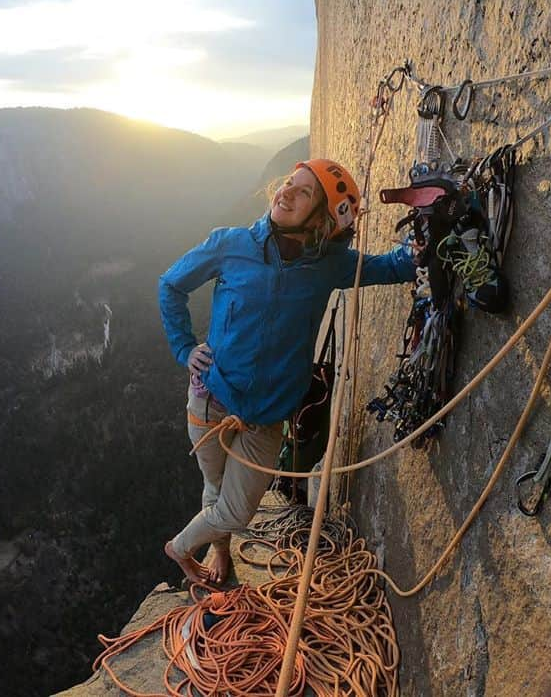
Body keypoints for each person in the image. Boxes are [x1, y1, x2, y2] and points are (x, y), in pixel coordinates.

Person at [157, 158, 416, 585]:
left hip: (265, 417)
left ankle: (182, 547)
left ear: (322, 220)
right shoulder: (231, 244)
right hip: (210, 397)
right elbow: (171, 284)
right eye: (289, 184)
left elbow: (390, 267)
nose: (286, 192)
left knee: (237, 511)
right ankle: (220, 553)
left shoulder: (329, 265)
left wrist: (421, 245)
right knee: (215, 485)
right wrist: (184, 347)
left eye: (304, 192)